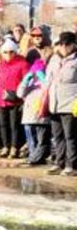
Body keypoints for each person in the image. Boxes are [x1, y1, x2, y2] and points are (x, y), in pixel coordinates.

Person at [44, 32, 76, 176]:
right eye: (61, 44)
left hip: (70, 103)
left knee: (70, 136)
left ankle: (72, 164)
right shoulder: (54, 59)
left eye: (67, 44)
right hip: (55, 103)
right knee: (57, 136)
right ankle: (59, 161)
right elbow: (48, 80)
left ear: (73, 45)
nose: (64, 47)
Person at [0, 40, 28, 159]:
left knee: (14, 125)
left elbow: (26, 81)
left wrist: (21, 96)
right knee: (3, 124)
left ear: (15, 51)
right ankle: (5, 145)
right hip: (1, 98)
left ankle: (14, 147)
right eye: (5, 52)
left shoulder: (22, 63)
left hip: (15, 98)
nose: (8, 55)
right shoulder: (0, 64)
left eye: (11, 52)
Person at [18, 50, 50, 165]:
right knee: (31, 140)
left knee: (42, 140)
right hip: (28, 115)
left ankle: (37, 158)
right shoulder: (30, 79)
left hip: (41, 114)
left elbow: (48, 89)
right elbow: (20, 93)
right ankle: (33, 157)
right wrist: (26, 80)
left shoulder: (45, 77)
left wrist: (43, 78)